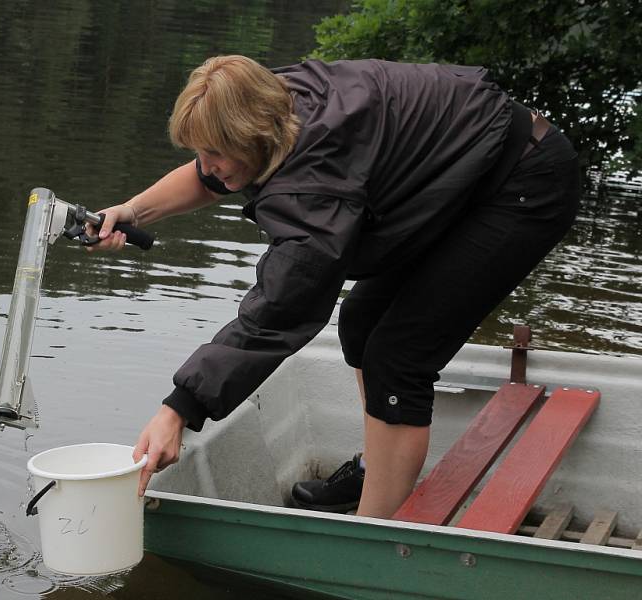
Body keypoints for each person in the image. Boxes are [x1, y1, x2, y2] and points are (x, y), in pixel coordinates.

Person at [88, 55, 580, 518]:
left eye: (214, 151)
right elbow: (208, 177)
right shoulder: (272, 103)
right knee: (361, 320)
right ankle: (375, 473)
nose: (206, 162)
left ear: (252, 135)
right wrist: (130, 212)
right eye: (200, 149)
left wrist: (180, 408)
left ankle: (373, 537)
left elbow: (278, 312)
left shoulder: (314, 182)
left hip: (520, 183)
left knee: (398, 356)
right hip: (466, 169)